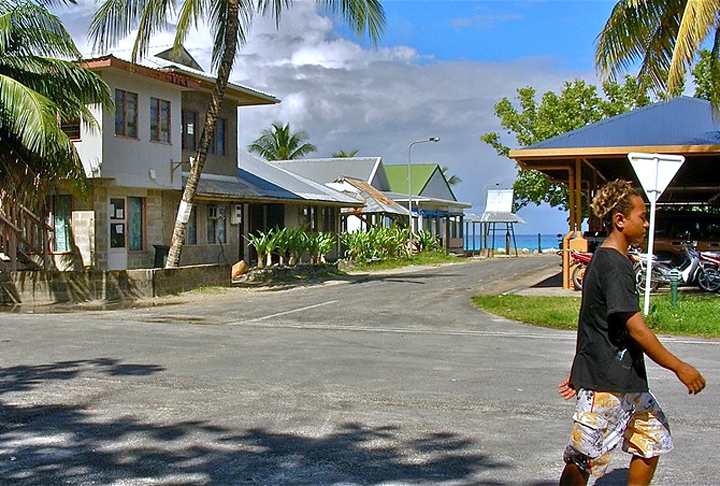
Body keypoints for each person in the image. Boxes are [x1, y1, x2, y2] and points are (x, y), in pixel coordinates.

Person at [558, 180, 706, 486]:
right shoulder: (613, 265)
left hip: (625, 379)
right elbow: (635, 328)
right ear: (620, 220)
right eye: (642, 216)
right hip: (607, 383)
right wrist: (680, 367)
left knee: (652, 440)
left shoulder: (614, 259)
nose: (647, 222)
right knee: (584, 458)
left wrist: (579, 369)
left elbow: (592, 323)